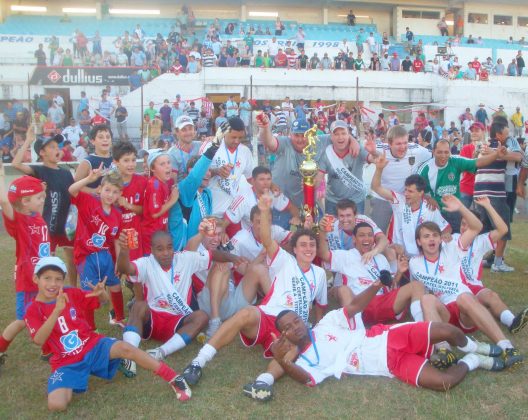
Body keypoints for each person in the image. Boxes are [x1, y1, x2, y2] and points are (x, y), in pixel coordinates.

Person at [182, 194, 328, 401]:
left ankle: (262, 382)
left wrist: (318, 327)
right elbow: (267, 239)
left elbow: (320, 305)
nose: (308, 249)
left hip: (293, 325)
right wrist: (265, 209)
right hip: (268, 316)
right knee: (246, 313)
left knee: (292, 349)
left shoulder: (320, 274)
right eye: (303, 245)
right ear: (294, 249)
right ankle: (198, 362)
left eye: (312, 245)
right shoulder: (284, 260)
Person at [24, 256, 192, 411]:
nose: (53, 283)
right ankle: (81, 373)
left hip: (91, 345)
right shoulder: (32, 309)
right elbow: (38, 340)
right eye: (47, 278)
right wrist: (56, 311)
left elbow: (102, 301)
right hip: (66, 361)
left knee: (126, 348)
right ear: (35, 279)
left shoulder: (70, 293)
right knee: (57, 404)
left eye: (58, 279)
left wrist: (102, 293)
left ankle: (173, 378)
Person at [271, 307, 503, 392]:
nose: (296, 327)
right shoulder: (304, 362)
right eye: (288, 327)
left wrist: (374, 286)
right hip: (388, 365)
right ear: (284, 335)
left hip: (386, 337)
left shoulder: (325, 324)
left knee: (448, 331)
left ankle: (476, 346)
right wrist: (283, 361)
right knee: (444, 382)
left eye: (296, 321)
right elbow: (307, 380)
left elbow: (352, 307)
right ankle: (473, 360)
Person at [410, 199, 523, 369]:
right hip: (445, 314)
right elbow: (417, 292)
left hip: (465, 310)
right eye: (426, 236)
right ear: (419, 242)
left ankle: (507, 347)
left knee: (464, 297)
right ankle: (444, 351)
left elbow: (476, 228)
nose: (431, 239)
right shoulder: (415, 262)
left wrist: (461, 208)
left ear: (441, 239)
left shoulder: (452, 248)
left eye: (435, 235)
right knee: (427, 299)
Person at [117, 227, 234, 371]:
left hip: (177, 322)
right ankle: (129, 355)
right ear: (152, 250)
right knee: (138, 305)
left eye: (169, 247)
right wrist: (124, 251)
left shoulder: (185, 258)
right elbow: (125, 269)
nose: (166, 253)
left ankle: (160, 352)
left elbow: (212, 254)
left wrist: (234, 258)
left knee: (202, 317)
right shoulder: (146, 263)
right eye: (160, 249)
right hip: (152, 318)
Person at [257, 116, 359, 229]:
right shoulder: (285, 143)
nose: (300, 139)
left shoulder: (319, 141)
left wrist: (352, 140)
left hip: (308, 205)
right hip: (281, 204)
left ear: (311, 135)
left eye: (304, 135)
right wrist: (265, 127)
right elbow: (269, 142)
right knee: (280, 236)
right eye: (296, 135)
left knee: (321, 231)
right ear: (290, 135)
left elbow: (338, 136)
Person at [319, 218, 425, 326]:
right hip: (359, 305)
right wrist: (322, 232)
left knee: (417, 286)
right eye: (362, 235)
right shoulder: (345, 256)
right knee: (343, 290)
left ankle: (423, 327)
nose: (366, 238)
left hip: (381, 302)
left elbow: (391, 285)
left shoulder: (381, 258)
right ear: (354, 239)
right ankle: (354, 329)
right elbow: (324, 254)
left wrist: (399, 272)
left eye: (370, 235)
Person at [12, 128, 76, 285]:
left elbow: (74, 197)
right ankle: (45, 291)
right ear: (42, 153)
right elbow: (16, 164)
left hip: (66, 226)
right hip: (46, 225)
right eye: (52, 147)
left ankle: (73, 288)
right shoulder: (39, 171)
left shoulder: (66, 173)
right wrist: (28, 140)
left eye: (57, 146)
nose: (57, 149)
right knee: (47, 261)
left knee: (72, 259)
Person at [456, 196, 528, 333]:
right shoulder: (452, 239)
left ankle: (513, 322)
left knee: (490, 295)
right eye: (463, 224)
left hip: (474, 286)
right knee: (476, 307)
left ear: (477, 228)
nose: (465, 228)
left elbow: (503, 229)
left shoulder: (481, 241)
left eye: (470, 225)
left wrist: (488, 206)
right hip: (456, 287)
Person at [0, 172, 49, 365]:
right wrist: (1, 174)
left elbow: (39, 205)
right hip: (28, 279)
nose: (43, 199)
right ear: (25, 201)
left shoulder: (36, 215)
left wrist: (41, 191)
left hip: (43, 277)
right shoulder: (19, 220)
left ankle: (49, 349)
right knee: (22, 320)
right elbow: (5, 202)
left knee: (47, 310)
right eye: (39, 198)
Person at [68, 167, 124, 330]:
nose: (110, 195)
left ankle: (119, 318)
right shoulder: (88, 201)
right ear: (100, 189)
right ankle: (90, 328)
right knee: (89, 292)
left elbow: (116, 240)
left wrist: (118, 261)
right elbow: (72, 190)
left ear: (119, 194)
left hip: (105, 256)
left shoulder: (117, 215)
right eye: (107, 190)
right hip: (86, 257)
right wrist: (88, 179)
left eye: (115, 192)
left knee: (115, 286)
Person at [371, 155, 450, 257]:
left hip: (420, 255)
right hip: (397, 252)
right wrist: (379, 169)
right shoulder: (398, 200)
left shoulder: (430, 208)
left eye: (410, 191)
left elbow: (446, 228)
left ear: (421, 193)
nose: (406, 194)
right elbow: (376, 187)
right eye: (406, 190)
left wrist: (445, 236)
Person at [417, 139, 502, 232]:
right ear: (433, 152)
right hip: (436, 212)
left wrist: (496, 154)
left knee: (457, 238)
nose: (443, 156)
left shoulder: (455, 161)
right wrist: (428, 198)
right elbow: (415, 191)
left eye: (446, 152)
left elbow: (478, 162)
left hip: (455, 211)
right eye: (439, 152)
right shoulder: (425, 169)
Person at [473, 118, 522, 272]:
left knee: (482, 228)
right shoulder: (500, 146)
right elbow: (518, 157)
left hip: (478, 192)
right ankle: (498, 263)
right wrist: (499, 153)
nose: (509, 136)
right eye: (507, 133)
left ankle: (476, 261)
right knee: (503, 228)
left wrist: (496, 154)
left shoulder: (484, 145)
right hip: (494, 193)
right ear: (499, 134)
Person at [370, 125, 432, 233]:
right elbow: (362, 152)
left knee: (405, 233)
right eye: (398, 144)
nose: (403, 147)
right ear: (389, 143)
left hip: (405, 199)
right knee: (377, 232)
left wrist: (430, 195)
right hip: (382, 197)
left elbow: (437, 155)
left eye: (405, 142)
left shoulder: (416, 150)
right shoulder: (379, 149)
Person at [317, 121, 376, 215]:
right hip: (333, 201)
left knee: (357, 225)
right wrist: (308, 185)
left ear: (349, 135)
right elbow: (318, 178)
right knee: (331, 225)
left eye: (343, 133)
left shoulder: (358, 149)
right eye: (336, 134)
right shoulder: (326, 154)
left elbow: (374, 159)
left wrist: (374, 152)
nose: (340, 137)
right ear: (331, 137)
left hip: (356, 200)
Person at [224, 166, 299, 231]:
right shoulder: (243, 198)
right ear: (253, 181)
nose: (266, 183)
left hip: (272, 233)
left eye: (268, 179)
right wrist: (222, 232)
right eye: (262, 179)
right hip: (253, 237)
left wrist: (296, 217)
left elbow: (292, 207)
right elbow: (226, 220)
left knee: (291, 226)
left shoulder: (274, 193)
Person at [207, 116, 254, 218]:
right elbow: (198, 174)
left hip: (232, 212)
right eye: (233, 137)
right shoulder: (210, 147)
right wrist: (216, 171)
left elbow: (250, 179)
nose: (237, 141)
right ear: (225, 133)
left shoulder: (245, 152)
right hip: (212, 209)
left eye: (240, 138)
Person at [141, 149, 180, 255]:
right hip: (151, 235)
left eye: (168, 162)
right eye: (162, 164)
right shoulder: (155, 185)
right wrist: (173, 200)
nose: (167, 166)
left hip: (159, 233)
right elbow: (155, 213)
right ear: (152, 168)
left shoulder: (163, 183)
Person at [74, 125, 114, 192]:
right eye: (100, 137)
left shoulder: (117, 160)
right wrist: (94, 191)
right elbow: (75, 186)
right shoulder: (87, 162)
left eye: (108, 137)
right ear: (92, 141)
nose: (105, 140)